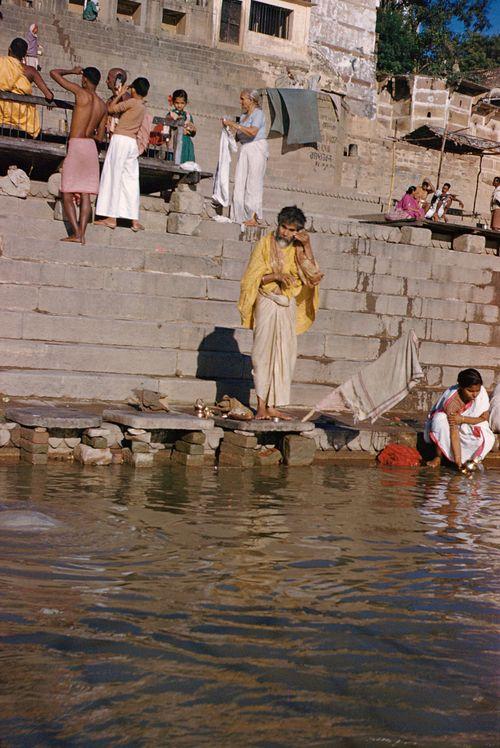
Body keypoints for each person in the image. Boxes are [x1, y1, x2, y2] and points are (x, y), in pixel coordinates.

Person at [238, 205, 321, 420]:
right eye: (283, 227)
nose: (285, 232)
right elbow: (252, 278)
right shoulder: (265, 244)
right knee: (261, 354)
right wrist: (275, 276)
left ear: (298, 231)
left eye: (291, 230)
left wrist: (308, 245)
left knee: (284, 355)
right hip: (267, 301)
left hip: (287, 305)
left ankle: (274, 406)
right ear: (278, 225)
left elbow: (313, 276)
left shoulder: (298, 248)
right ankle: (261, 407)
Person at [49, 65, 107, 244]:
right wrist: (89, 134)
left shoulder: (80, 93)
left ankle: (76, 234)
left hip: (76, 145)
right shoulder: (103, 106)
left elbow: (54, 74)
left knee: (67, 191)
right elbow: (100, 136)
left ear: (84, 80)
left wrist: (72, 71)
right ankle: (82, 233)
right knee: (85, 194)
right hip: (91, 148)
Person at [94, 76, 150, 232]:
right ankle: (134, 220)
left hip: (120, 141)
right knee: (130, 180)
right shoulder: (143, 106)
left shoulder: (131, 102)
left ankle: (111, 217)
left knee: (113, 176)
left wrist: (120, 94)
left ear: (133, 89)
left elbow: (110, 108)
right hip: (131, 144)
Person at [425, 368, 495, 470]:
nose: (475, 395)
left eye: (477, 390)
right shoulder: (452, 403)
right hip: (450, 427)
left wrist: (462, 419)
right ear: (461, 387)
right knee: (439, 420)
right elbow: (454, 433)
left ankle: (472, 460)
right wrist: (458, 461)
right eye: (470, 391)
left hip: (466, 422)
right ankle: (439, 456)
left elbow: (484, 418)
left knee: (487, 437)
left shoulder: (482, 393)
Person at [223, 89, 268, 227]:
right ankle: (240, 215)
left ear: (251, 100)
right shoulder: (243, 117)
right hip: (245, 149)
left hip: (257, 148)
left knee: (253, 183)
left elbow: (253, 131)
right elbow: (238, 136)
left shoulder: (258, 114)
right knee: (240, 181)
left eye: (243, 99)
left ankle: (253, 216)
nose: (241, 102)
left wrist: (234, 125)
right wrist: (228, 130)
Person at [0, 37, 53, 137]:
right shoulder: (31, 71)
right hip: (23, 122)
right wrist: (50, 101)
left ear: (9, 49)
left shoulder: (1, 62)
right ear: (24, 55)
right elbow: (49, 95)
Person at [165, 88, 196, 164]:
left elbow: (193, 133)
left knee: (187, 165)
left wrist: (192, 130)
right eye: (177, 103)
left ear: (185, 103)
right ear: (173, 102)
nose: (179, 105)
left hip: (186, 144)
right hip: (175, 142)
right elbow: (168, 127)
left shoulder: (188, 116)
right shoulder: (170, 114)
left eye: (182, 103)